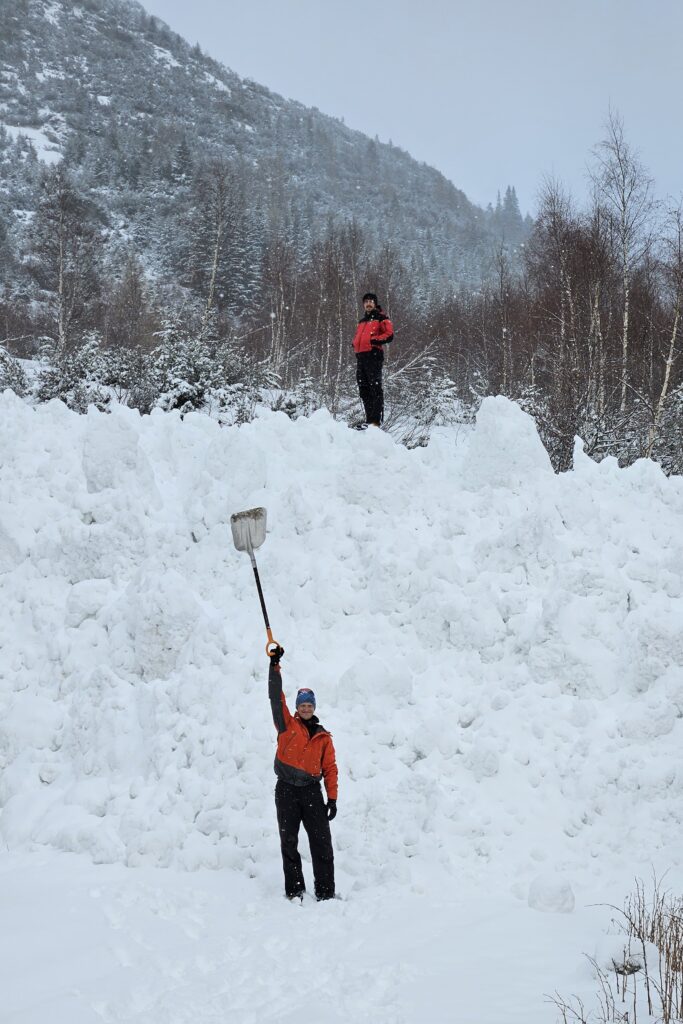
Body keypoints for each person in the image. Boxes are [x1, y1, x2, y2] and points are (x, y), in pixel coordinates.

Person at [267, 645, 338, 901]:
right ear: (297, 708)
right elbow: (276, 698)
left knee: (322, 843)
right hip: (286, 789)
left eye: (309, 704)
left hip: (310, 791)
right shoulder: (287, 724)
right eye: (302, 704)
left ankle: (326, 892)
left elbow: (330, 769)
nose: (306, 708)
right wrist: (274, 666)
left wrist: (332, 798)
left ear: (314, 707)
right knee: (289, 842)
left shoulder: (323, 737)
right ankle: (295, 890)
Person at [351, 292, 394, 428]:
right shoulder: (362, 321)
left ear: (375, 304)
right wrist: (354, 343)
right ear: (364, 304)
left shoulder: (381, 318)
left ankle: (375, 422)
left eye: (371, 301)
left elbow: (389, 334)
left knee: (374, 388)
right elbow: (359, 336)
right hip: (361, 357)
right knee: (363, 389)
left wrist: (374, 340)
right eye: (366, 301)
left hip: (373, 355)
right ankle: (368, 420)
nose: (368, 303)